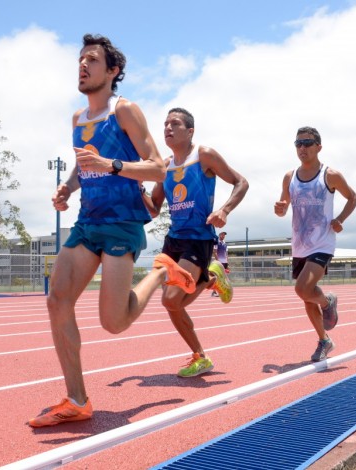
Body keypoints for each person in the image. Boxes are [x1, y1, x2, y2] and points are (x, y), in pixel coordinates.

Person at [28, 34, 196, 428]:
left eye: (92, 60)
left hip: (121, 223)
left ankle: (160, 271)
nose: (83, 66)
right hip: (88, 222)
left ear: (113, 70)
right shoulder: (77, 119)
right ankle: (77, 399)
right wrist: (68, 187)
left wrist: (112, 165)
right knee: (57, 300)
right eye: (80, 60)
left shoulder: (125, 111)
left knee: (114, 322)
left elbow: (158, 166)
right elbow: (83, 164)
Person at [144, 107, 248, 377]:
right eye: (165, 124)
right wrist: (136, 188)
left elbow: (241, 182)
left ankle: (200, 353)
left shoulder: (204, 155)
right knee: (171, 302)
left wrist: (224, 210)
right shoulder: (164, 166)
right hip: (173, 240)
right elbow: (154, 209)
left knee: (171, 300)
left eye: (175, 124)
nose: (167, 128)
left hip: (198, 238)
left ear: (190, 131)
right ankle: (209, 282)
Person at [274, 126, 356, 362]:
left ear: (318, 147)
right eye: (298, 143)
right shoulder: (289, 177)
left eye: (307, 143)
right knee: (306, 295)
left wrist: (340, 219)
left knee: (302, 289)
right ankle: (324, 340)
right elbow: (283, 207)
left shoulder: (329, 175)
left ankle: (328, 301)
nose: (302, 148)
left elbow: (353, 197)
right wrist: (280, 209)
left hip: (322, 243)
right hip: (300, 245)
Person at [210, 231, 229, 297]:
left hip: (225, 262)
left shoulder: (225, 244)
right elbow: (214, 252)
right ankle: (214, 292)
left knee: (224, 277)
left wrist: (227, 263)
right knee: (217, 277)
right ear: (219, 235)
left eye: (224, 235)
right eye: (222, 234)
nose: (223, 236)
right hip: (219, 262)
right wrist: (218, 261)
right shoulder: (216, 243)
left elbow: (226, 254)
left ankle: (221, 291)